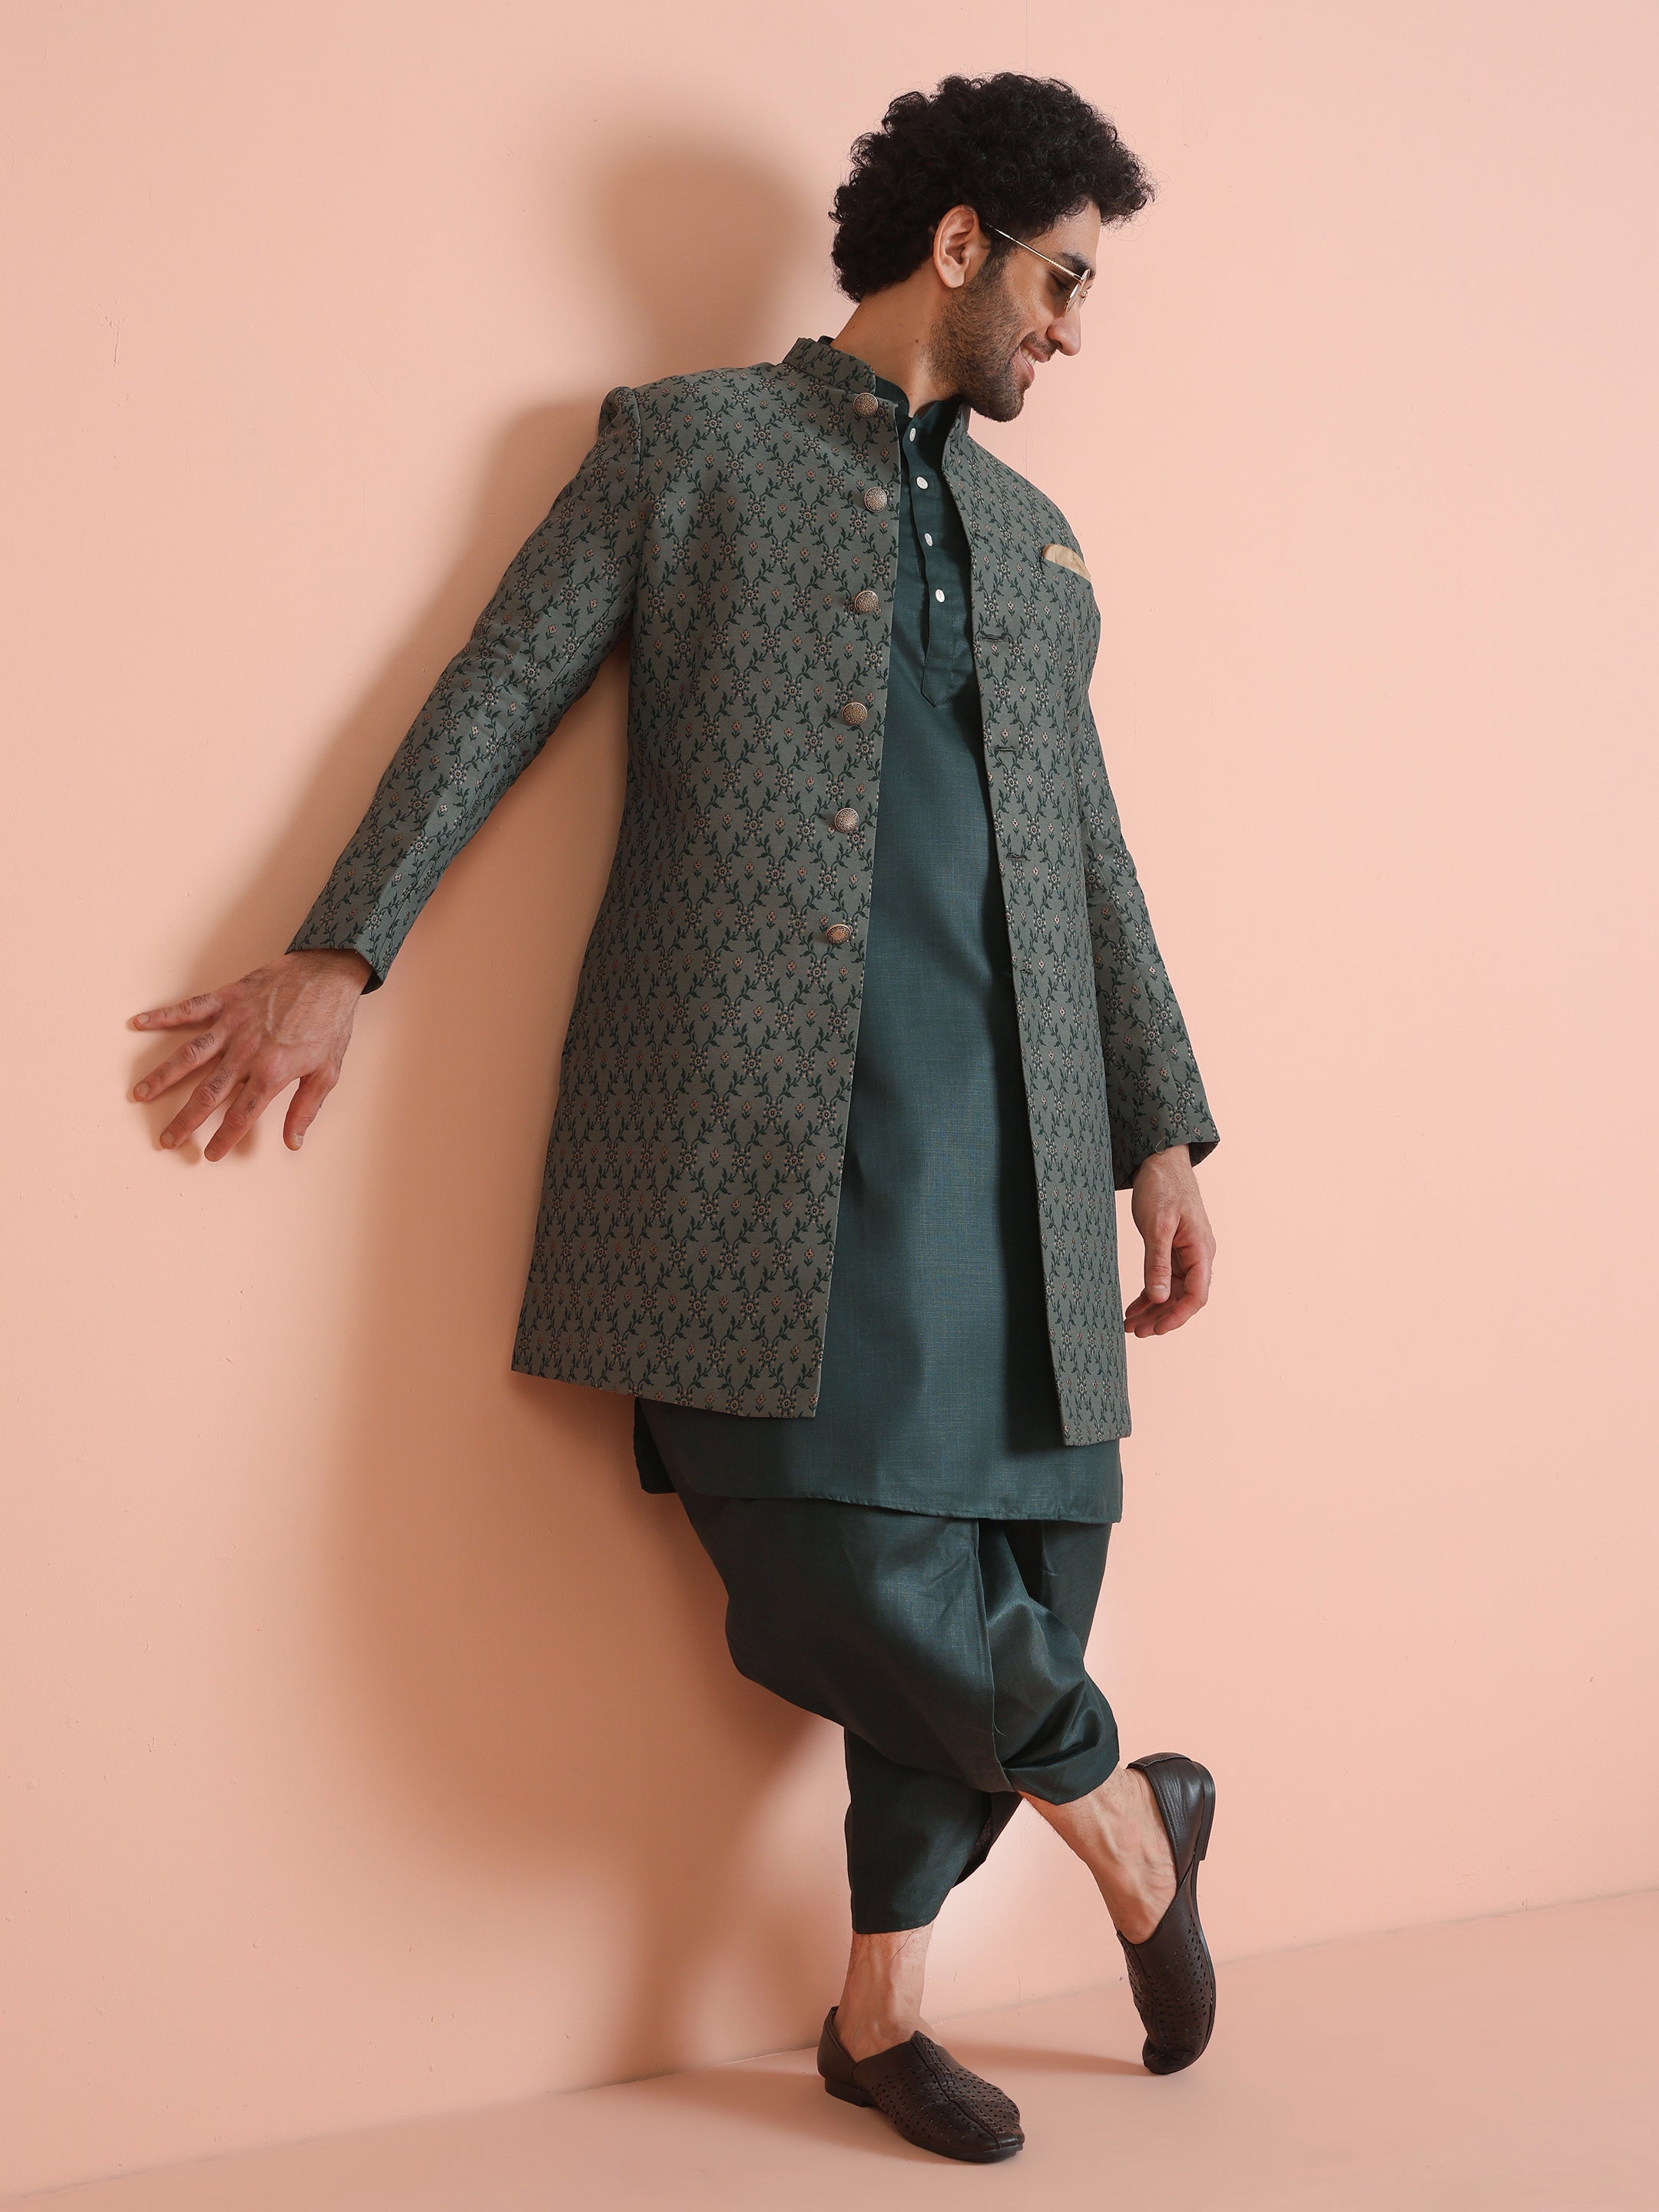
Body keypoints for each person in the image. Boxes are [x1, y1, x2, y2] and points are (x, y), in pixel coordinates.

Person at [127, 73, 1220, 2164]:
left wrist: (1158, 1132)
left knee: (1029, 1562)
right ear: (965, 245)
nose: (1076, 333)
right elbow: (497, 684)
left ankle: (877, 2021)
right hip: (761, 1137)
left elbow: (1092, 850)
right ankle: (1137, 1827)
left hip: (1016, 1137)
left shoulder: (1035, 545)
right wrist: (341, 949)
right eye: (1069, 282)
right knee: (834, 1564)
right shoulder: (688, 447)